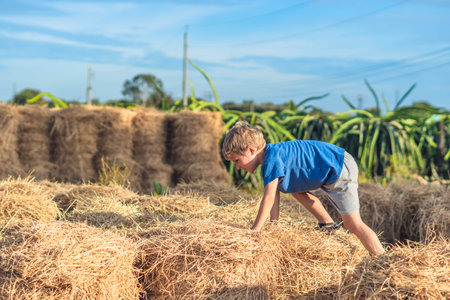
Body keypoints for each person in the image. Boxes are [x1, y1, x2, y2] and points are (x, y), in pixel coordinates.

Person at [222, 121, 385, 256]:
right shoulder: (273, 155)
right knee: (290, 186)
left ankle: (381, 258)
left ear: (251, 150)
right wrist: (274, 227)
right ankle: (327, 224)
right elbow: (275, 196)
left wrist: (255, 232)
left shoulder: (271, 161)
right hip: (334, 164)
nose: (237, 167)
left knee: (352, 223)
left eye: (237, 160)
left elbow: (269, 198)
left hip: (339, 167)